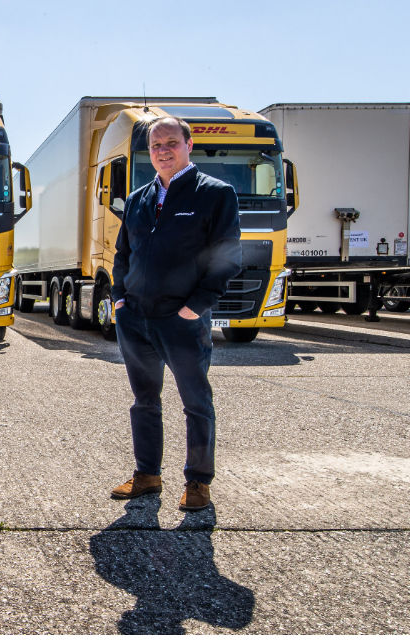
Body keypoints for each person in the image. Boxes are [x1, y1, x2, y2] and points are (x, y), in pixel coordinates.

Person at [109, 116, 241, 512]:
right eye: (155, 146)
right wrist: (119, 299)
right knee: (143, 401)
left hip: (181, 321)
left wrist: (194, 307)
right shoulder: (137, 199)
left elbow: (227, 258)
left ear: (188, 144)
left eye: (170, 143)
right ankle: (147, 475)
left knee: (196, 402)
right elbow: (122, 254)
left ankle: (198, 482)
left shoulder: (216, 194)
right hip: (136, 319)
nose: (163, 151)